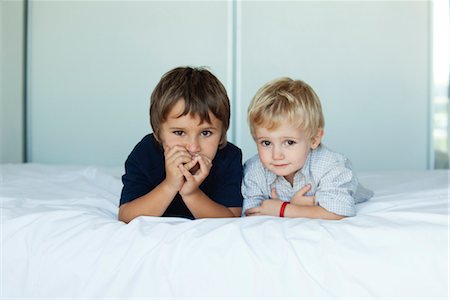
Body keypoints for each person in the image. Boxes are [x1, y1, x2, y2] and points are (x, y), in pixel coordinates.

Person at [119, 67, 243, 223]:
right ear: (158, 134)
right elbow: (126, 215)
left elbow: (232, 218)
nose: (193, 147)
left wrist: (192, 194)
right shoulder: (146, 152)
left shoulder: (229, 157)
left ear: (222, 134)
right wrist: (170, 185)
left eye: (206, 133)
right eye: (179, 133)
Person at [242, 77, 373, 219]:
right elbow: (251, 212)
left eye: (289, 142)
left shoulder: (331, 166)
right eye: (266, 143)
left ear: (314, 139)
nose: (276, 155)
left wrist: (283, 209)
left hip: (343, 193)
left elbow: (339, 212)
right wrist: (292, 207)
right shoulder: (254, 169)